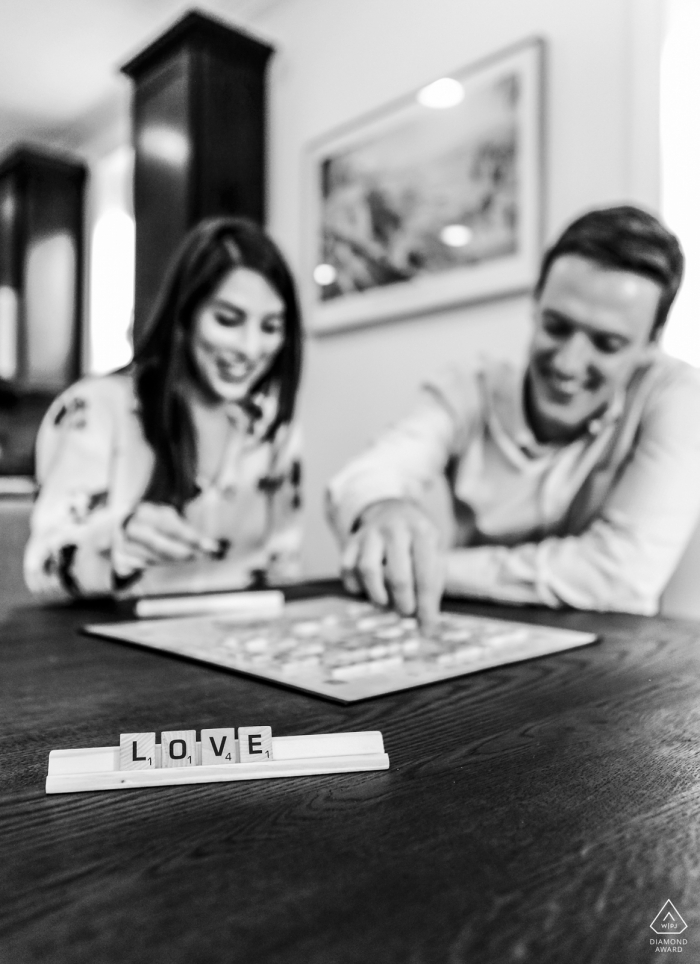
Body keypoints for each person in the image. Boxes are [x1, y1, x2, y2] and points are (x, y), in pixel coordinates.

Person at [327, 205, 700, 625]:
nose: (569, 364)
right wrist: (381, 508)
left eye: (607, 343)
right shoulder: (470, 389)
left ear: (651, 343)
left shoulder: (678, 395)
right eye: (556, 326)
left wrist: (434, 567)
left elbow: (623, 576)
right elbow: (365, 475)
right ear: (535, 306)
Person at [25, 216, 303, 600]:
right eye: (227, 320)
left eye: (271, 327)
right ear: (185, 315)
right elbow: (43, 568)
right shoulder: (95, 408)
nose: (250, 348)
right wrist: (117, 539)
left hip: (244, 641)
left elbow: (284, 563)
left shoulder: (271, 424)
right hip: (120, 643)